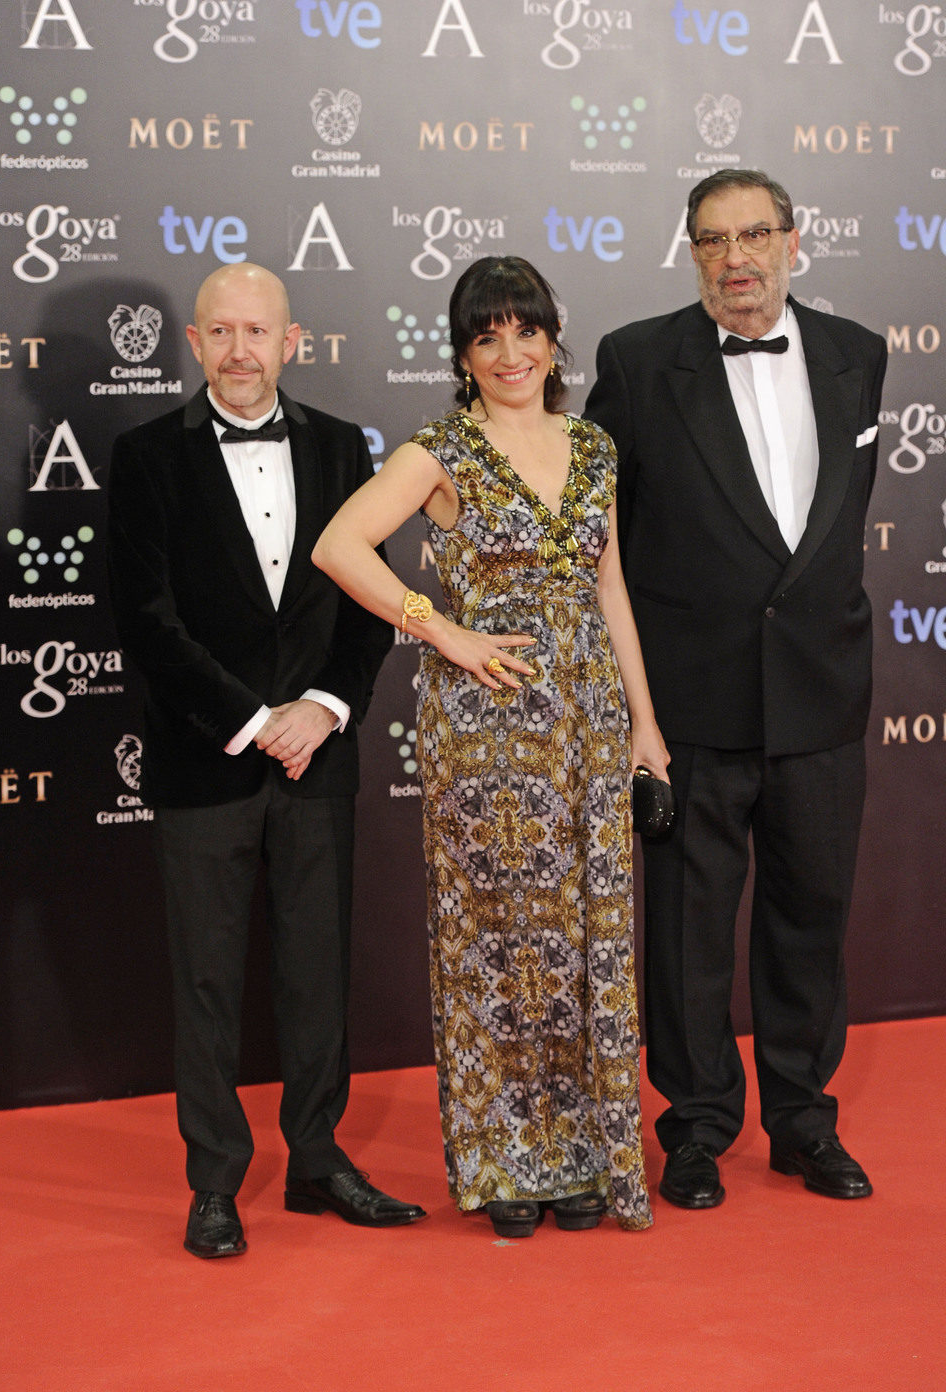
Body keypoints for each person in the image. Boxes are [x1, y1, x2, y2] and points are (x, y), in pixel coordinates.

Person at [311, 256, 669, 1236]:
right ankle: (508, 1163)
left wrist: (644, 722)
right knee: (501, 942)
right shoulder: (443, 450)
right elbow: (340, 546)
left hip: (589, 719)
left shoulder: (594, 447)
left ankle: (584, 1151)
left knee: (588, 935)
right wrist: (439, 627)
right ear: (463, 356)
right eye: (487, 337)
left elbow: (610, 591)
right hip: (485, 728)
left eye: (526, 332)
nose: (511, 354)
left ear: (554, 340)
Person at [107, 263, 425, 1258]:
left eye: (259, 332)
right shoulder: (146, 455)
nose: (240, 350)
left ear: (292, 343)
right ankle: (215, 1185)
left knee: (317, 971)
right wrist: (254, 720)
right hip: (206, 760)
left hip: (318, 761)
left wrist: (325, 710)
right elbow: (146, 622)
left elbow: (371, 604)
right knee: (205, 980)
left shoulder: (342, 447)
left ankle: (319, 1161)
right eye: (221, 333)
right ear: (194, 345)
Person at [585, 169, 887, 1210]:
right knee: (688, 935)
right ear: (692, 252)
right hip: (691, 705)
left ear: (795, 242)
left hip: (821, 698)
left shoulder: (858, 356)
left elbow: (834, 528)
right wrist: (636, 716)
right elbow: (601, 541)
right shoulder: (635, 361)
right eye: (712, 240)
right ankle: (697, 1128)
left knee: (811, 920)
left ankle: (804, 1124)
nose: (736, 258)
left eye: (755, 234)